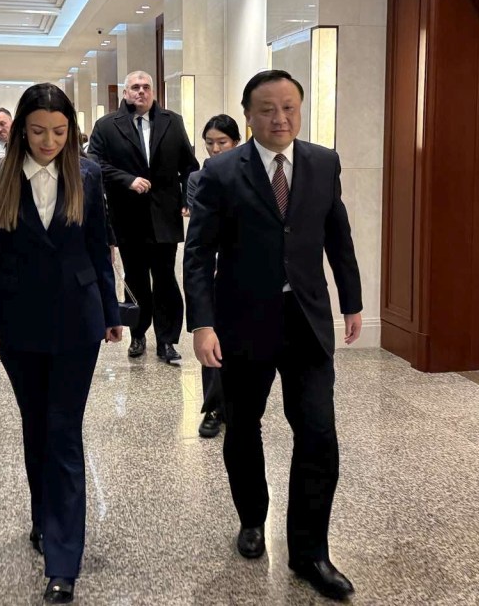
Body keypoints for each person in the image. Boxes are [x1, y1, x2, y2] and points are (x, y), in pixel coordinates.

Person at [183, 71, 363, 601]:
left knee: (318, 431)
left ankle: (310, 552)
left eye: (289, 107)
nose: (280, 118)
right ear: (248, 115)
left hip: (307, 319)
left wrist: (351, 300)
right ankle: (252, 518)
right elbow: (199, 253)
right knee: (243, 427)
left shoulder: (323, 162)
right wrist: (202, 322)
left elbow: (337, 233)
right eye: (267, 109)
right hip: (242, 322)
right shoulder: (220, 171)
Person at [0, 83, 123, 605]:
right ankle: (44, 517)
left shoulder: (88, 173)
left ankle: (63, 560)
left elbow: (99, 247)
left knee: (63, 431)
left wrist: (111, 311)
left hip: (78, 319)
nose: (49, 142)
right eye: (38, 131)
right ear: (20, 130)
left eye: (59, 132)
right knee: (36, 426)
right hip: (18, 321)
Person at [88, 71, 199, 365]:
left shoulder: (172, 121)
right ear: (126, 93)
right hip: (128, 215)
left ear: (153, 91)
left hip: (164, 214)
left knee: (165, 279)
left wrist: (186, 198)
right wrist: (126, 179)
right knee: (135, 279)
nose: (141, 91)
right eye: (135, 87)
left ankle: (167, 340)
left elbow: (189, 165)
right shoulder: (107, 126)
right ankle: (137, 334)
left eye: (146, 87)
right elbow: (94, 163)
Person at [185, 114, 241, 439]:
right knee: (212, 337)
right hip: (215, 267)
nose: (216, 149)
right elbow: (202, 229)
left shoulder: (251, 174)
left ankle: (236, 404)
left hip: (246, 270)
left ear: (236, 142)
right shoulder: (198, 178)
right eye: (210, 143)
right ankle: (214, 407)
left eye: (222, 142)